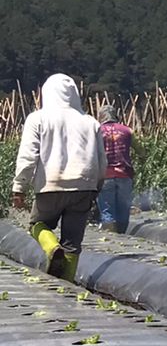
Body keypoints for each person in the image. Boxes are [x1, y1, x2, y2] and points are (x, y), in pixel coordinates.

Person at [10, 74, 105, 280]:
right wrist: (97, 185)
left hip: (50, 185)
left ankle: (52, 248)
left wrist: (19, 187)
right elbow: (101, 160)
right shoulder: (90, 122)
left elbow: (28, 156)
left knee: (37, 224)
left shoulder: (38, 118)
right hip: (84, 187)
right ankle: (66, 286)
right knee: (73, 242)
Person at [96, 105, 136, 233]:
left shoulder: (96, 131)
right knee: (124, 208)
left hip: (105, 175)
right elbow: (141, 151)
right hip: (124, 173)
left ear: (101, 116)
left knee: (107, 209)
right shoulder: (127, 131)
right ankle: (123, 235)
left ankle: (111, 238)